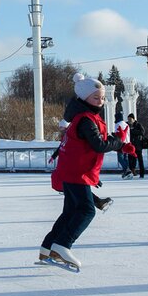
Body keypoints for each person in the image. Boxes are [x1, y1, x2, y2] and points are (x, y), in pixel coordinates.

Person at [39, 74, 135, 271]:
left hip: (73, 171)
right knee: (86, 210)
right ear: (84, 98)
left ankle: (47, 248)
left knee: (70, 212)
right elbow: (98, 144)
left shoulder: (85, 117)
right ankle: (62, 246)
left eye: (102, 98)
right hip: (77, 173)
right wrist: (118, 141)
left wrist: (120, 145)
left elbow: (97, 141)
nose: (100, 101)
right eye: (96, 97)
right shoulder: (85, 119)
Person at [127, 113, 146, 178]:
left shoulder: (138, 125)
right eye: (128, 119)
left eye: (130, 119)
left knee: (140, 160)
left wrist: (132, 131)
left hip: (138, 146)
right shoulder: (127, 125)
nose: (129, 120)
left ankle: (142, 173)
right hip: (130, 145)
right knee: (130, 159)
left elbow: (142, 132)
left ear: (133, 119)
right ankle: (132, 171)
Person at [114, 112, 132, 179]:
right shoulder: (126, 124)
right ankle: (126, 171)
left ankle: (126, 170)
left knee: (120, 158)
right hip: (127, 142)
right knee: (125, 157)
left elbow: (117, 134)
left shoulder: (117, 124)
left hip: (121, 143)